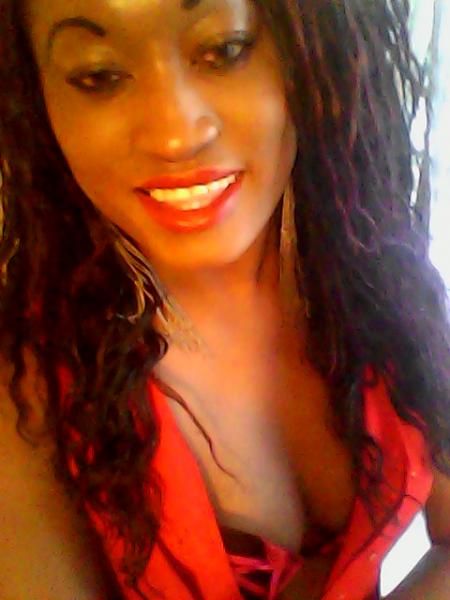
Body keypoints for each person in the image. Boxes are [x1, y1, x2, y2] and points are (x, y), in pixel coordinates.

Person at [0, 0, 449, 598]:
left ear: (312, 52)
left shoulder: (379, 279)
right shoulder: (26, 399)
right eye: (99, 76)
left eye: (224, 50)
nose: (176, 135)